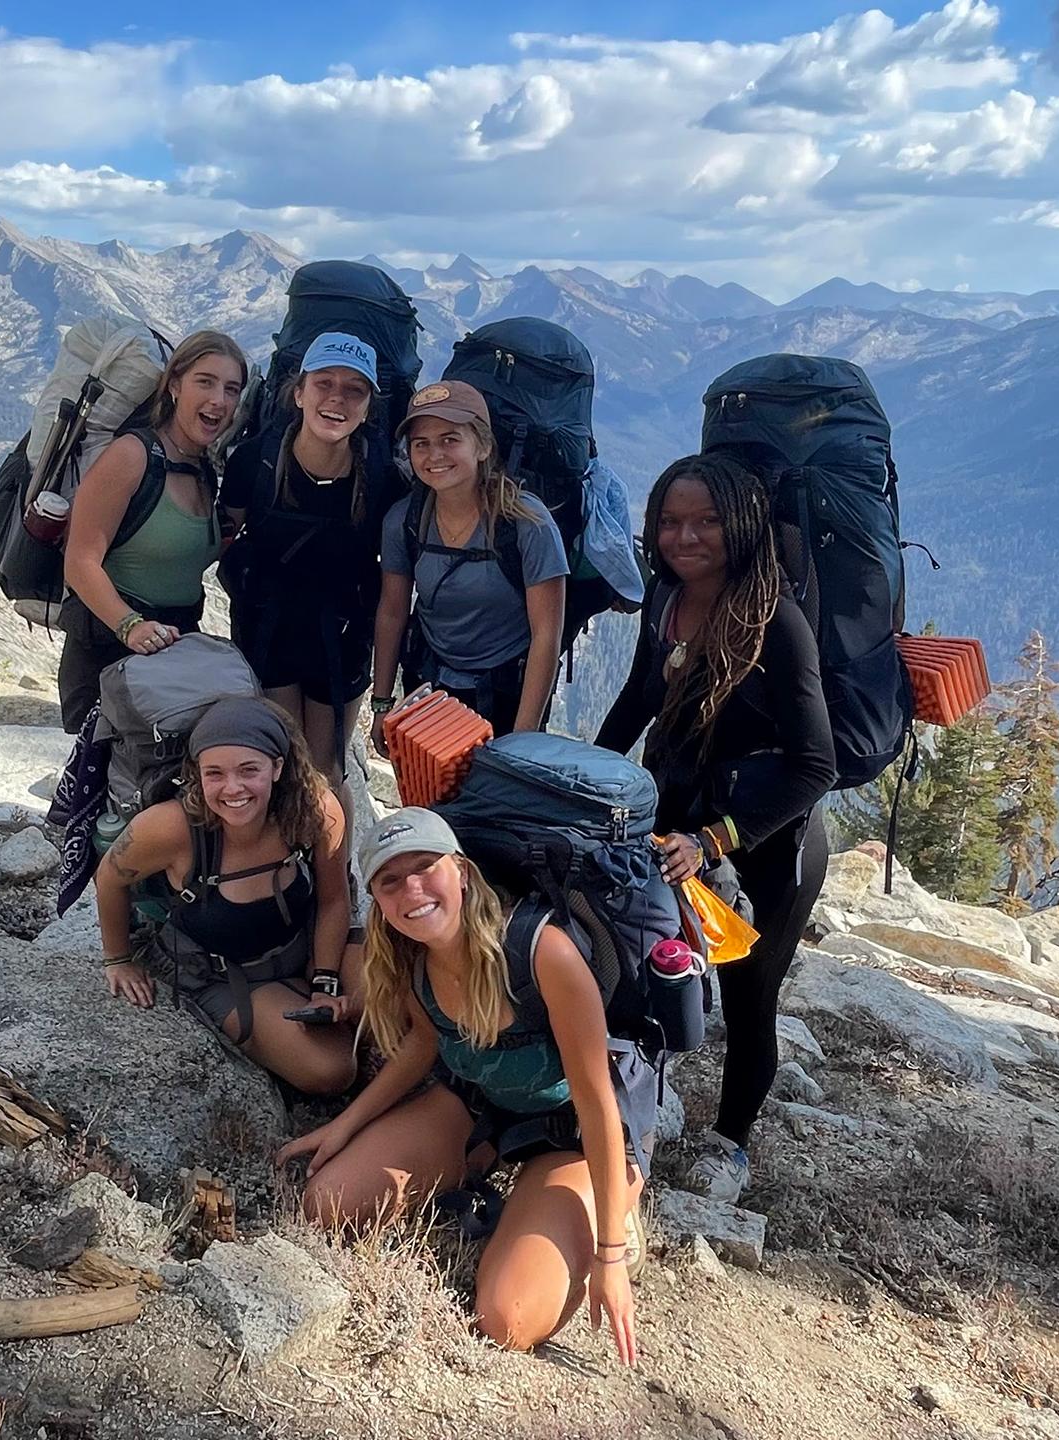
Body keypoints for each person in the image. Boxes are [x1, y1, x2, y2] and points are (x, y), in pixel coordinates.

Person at [278, 808, 646, 1367]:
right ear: (376, 900)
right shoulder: (411, 958)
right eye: (390, 881)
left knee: (508, 1320)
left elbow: (598, 1105)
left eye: (426, 867)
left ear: (463, 872)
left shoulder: (543, 953)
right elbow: (424, 1045)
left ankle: (616, 1201)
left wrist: (610, 1256)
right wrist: (343, 1127)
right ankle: (488, 1168)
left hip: (570, 1132)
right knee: (325, 1204)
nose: (412, 890)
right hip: (480, 1104)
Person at [596, 452, 836, 1204]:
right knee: (653, 961)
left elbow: (816, 766)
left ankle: (731, 1144)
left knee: (748, 992)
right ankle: (641, 1097)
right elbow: (638, 700)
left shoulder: (776, 622)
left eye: (706, 521)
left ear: (742, 525)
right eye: (670, 521)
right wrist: (578, 779)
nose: (685, 537)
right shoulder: (667, 600)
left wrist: (714, 841)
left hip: (768, 844)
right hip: (680, 827)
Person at [93, 696, 358, 1096]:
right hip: (223, 973)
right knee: (333, 1070)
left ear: (278, 767)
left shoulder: (315, 810)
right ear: (196, 774)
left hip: (305, 945)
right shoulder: (170, 828)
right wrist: (118, 959)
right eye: (214, 773)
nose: (233, 789)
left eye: (249, 770)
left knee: (398, 998)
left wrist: (326, 982)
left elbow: (334, 900)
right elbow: (110, 877)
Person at [220, 332, 401, 786]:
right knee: (282, 767)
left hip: (341, 639)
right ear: (299, 393)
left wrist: (384, 698)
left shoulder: (383, 481)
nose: (337, 398)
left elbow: (396, 595)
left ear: (368, 408)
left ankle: (331, 840)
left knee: (326, 772)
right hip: (268, 633)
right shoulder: (254, 463)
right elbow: (218, 543)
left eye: (354, 389)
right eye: (324, 383)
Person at [57, 330, 247, 734]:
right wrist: (131, 626)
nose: (219, 400)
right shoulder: (132, 456)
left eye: (231, 389)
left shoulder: (203, 470)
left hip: (172, 653)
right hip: (106, 659)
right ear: (174, 384)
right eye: (205, 382)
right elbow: (80, 561)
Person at [370, 381, 567, 750]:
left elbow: (546, 635)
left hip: (507, 692)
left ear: (483, 447)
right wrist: (382, 704)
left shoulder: (526, 523)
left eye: (450, 439)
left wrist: (522, 739)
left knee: (496, 788)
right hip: (429, 687)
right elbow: (392, 612)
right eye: (421, 444)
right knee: (427, 785)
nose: (434, 454)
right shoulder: (404, 522)